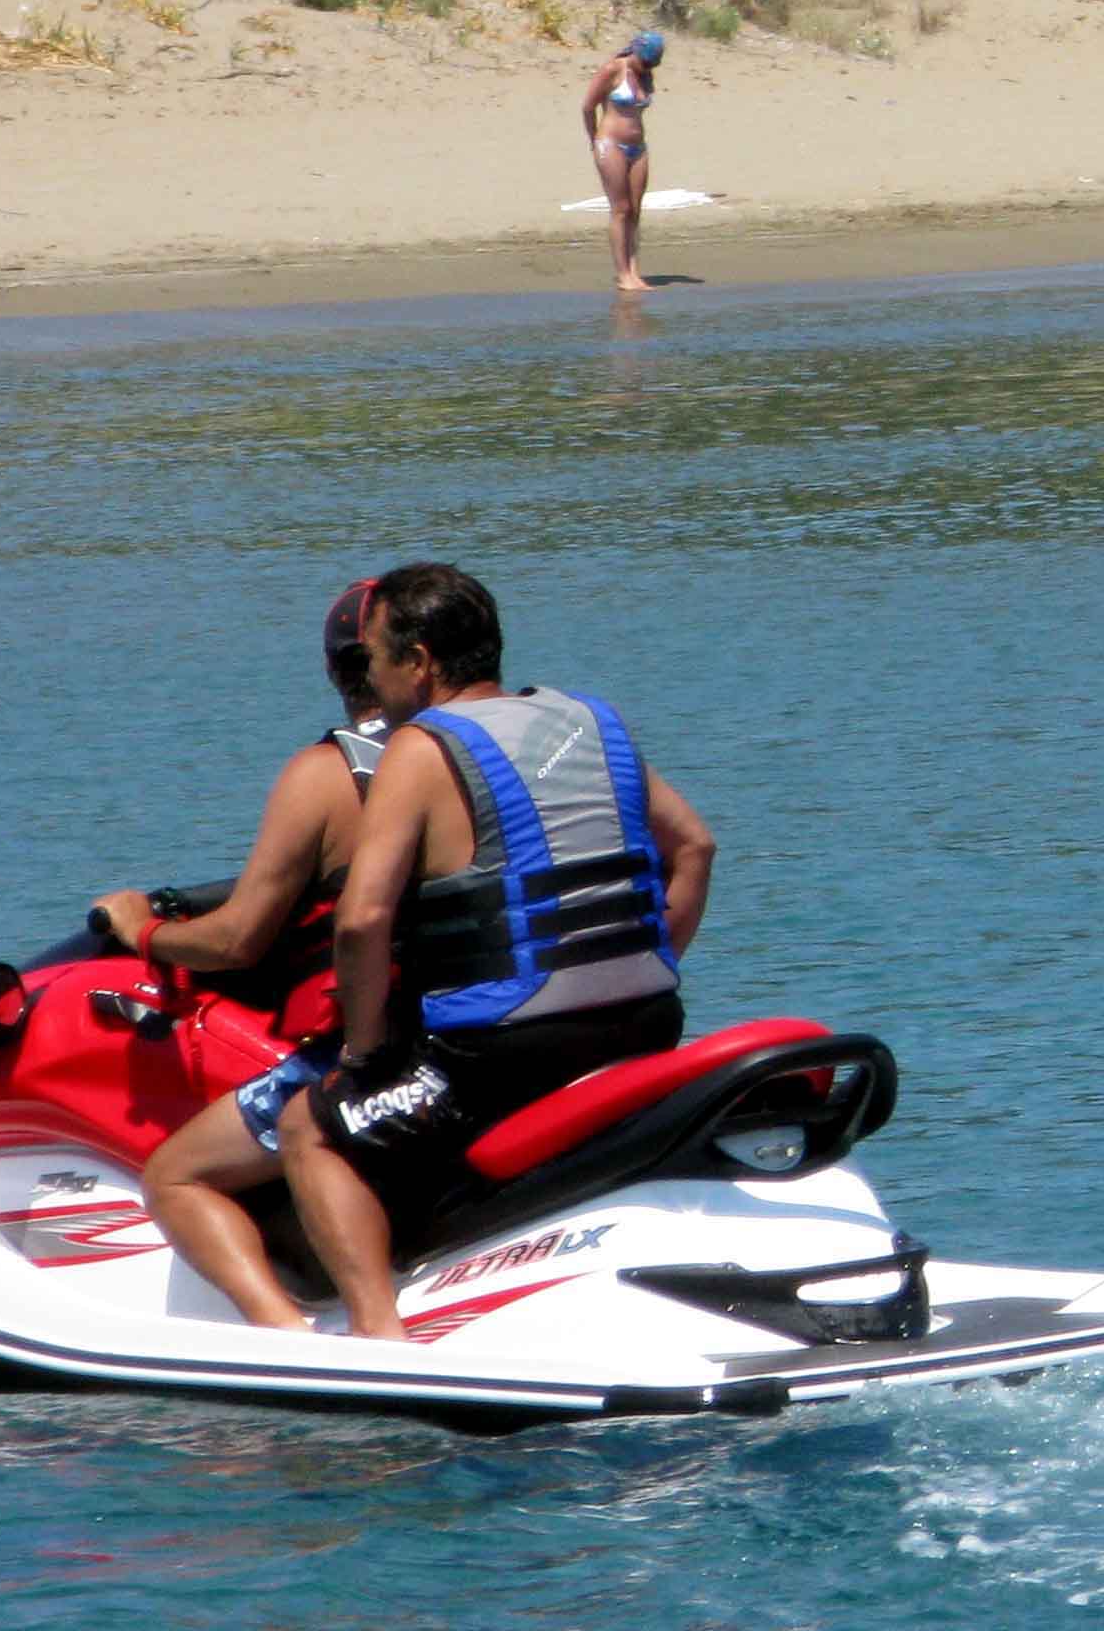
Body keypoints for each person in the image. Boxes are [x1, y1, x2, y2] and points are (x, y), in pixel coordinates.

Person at [283, 563, 717, 1339]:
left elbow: (362, 919)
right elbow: (695, 846)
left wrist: (364, 1049)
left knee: (308, 1128)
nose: (370, 681)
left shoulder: (419, 748)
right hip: (647, 1020)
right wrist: (655, 958)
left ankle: (378, 1339)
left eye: (375, 659)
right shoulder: (587, 720)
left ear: (418, 662)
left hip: (502, 1051)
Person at [100, 579, 400, 1332]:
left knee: (173, 1174)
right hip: (495, 1014)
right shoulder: (487, 752)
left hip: (384, 1047)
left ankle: (285, 1336)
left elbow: (238, 941)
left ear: (338, 671)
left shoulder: (331, 775)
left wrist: (143, 932)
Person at [577, 30, 666, 295]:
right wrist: (595, 140)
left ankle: (635, 271)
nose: (647, 68)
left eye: (652, 65)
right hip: (610, 143)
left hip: (638, 147)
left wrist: (647, 71)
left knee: (636, 210)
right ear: (634, 52)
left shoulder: (646, 74)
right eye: (645, 62)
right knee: (620, 209)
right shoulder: (613, 69)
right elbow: (587, 106)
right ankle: (623, 274)